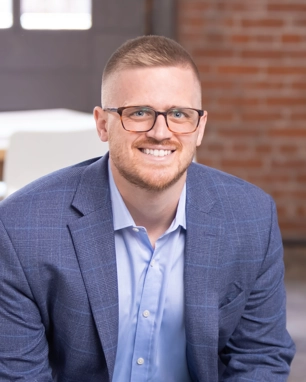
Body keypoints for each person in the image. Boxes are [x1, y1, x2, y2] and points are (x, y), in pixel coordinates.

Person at [0, 35, 295, 381]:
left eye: (179, 114)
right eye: (138, 112)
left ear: (199, 128)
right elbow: (20, 375)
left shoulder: (252, 217)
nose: (160, 132)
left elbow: (260, 358)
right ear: (102, 124)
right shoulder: (20, 227)